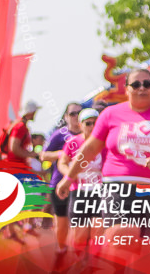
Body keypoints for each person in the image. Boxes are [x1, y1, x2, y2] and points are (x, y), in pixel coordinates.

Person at [57, 68, 150, 263]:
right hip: (118, 187)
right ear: (127, 88)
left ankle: (102, 262)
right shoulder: (110, 114)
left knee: (146, 250)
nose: (141, 88)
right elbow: (88, 150)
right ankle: (100, 261)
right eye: (136, 84)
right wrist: (68, 178)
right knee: (123, 234)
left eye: (147, 84)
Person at [59, 108, 106, 252]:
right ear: (80, 125)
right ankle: (78, 262)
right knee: (80, 235)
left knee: (98, 233)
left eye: (95, 123)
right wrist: (69, 176)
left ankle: (94, 265)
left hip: (101, 192)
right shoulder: (73, 142)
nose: (92, 127)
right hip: (79, 192)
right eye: (88, 123)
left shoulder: (105, 143)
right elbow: (62, 162)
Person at [42, 101, 84, 256]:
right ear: (66, 117)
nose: (75, 117)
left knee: (79, 223)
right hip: (60, 183)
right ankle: (61, 250)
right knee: (62, 222)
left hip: (82, 186)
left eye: (79, 113)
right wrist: (61, 154)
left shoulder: (88, 135)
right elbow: (43, 155)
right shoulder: (60, 135)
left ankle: (78, 256)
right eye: (72, 113)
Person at [1, 100, 42, 170]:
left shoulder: (20, 125)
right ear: (30, 112)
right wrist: (31, 154)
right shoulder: (20, 126)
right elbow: (14, 148)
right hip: (14, 167)